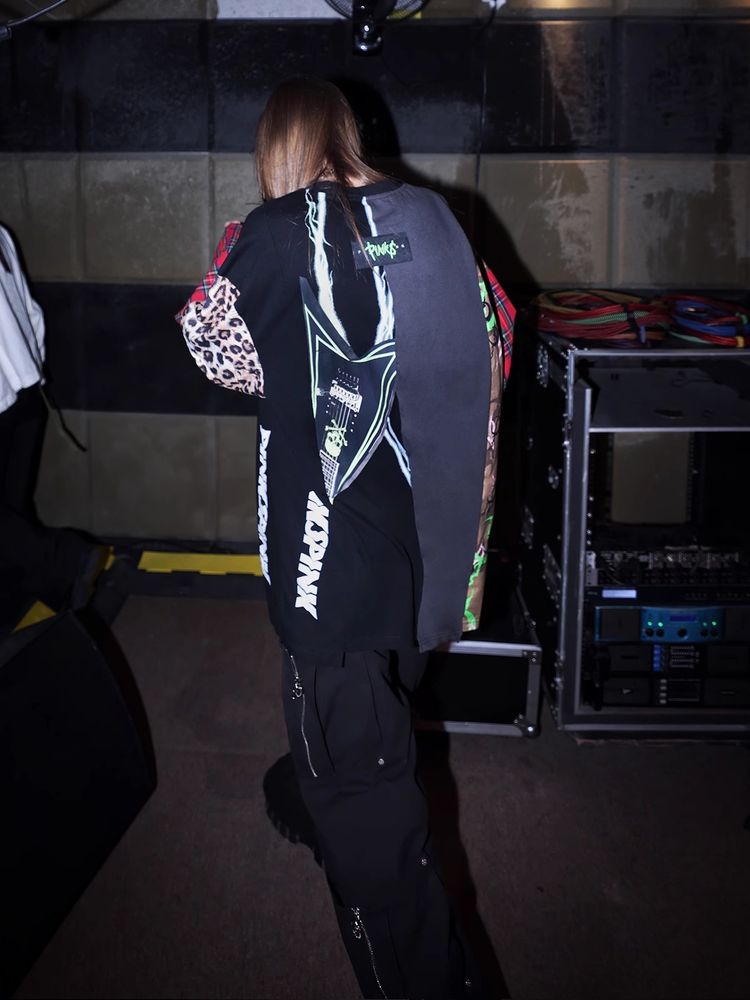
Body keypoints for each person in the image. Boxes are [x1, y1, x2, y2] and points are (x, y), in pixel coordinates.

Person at [178, 78, 514, 999]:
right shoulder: (435, 219)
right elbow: (494, 333)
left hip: (326, 575)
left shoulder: (273, 233)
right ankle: (324, 786)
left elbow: (213, 348)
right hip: (422, 556)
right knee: (375, 712)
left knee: (369, 818)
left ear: (279, 149)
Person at [0, 224, 103, 621]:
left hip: (9, 394)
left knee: (10, 520)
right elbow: (31, 313)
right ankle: (23, 601)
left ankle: (64, 559)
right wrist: (32, 370)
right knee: (12, 510)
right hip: (26, 391)